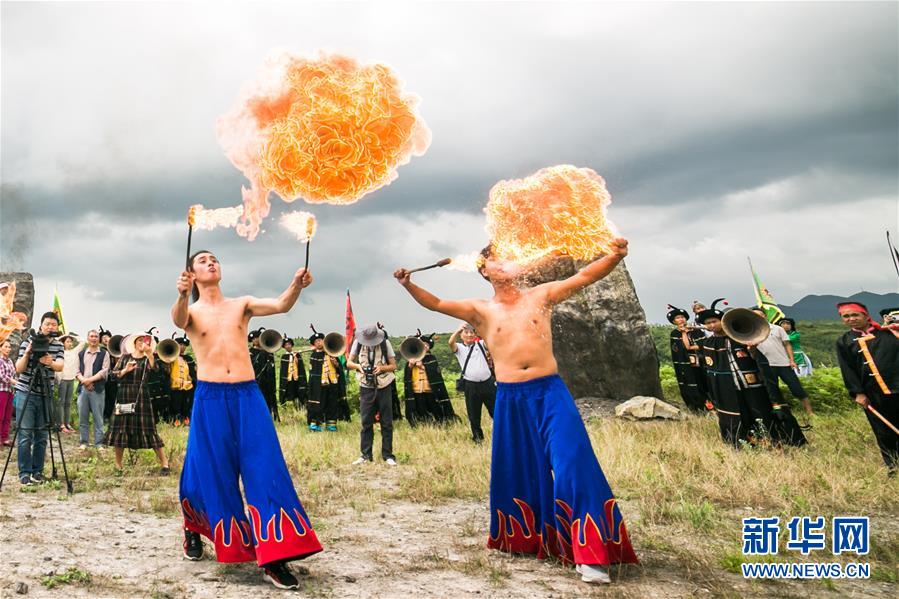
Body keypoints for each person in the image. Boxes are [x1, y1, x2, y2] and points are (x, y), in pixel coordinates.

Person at [393, 239, 638, 585]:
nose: (507, 261)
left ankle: (591, 552)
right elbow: (435, 303)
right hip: (509, 397)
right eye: (497, 258)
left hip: (550, 392)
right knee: (520, 469)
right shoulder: (480, 310)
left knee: (573, 462)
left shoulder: (542, 295)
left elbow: (584, 277)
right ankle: (526, 538)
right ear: (484, 270)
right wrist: (408, 284)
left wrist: (614, 255)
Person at [172, 249, 321, 589]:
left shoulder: (241, 304)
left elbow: (282, 305)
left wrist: (297, 285)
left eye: (215, 259)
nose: (212, 262)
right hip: (210, 397)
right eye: (203, 261)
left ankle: (274, 556)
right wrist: (181, 294)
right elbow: (179, 320)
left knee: (265, 468)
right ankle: (193, 528)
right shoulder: (191, 311)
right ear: (192, 274)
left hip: (247, 395)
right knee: (207, 470)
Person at [697, 302, 806, 448]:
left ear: (722, 322)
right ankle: (744, 441)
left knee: (760, 410)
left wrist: (752, 349)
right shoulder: (708, 343)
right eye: (708, 323)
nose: (711, 325)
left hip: (752, 384)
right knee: (738, 414)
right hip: (728, 387)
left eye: (714, 321)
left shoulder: (741, 337)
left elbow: (758, 361)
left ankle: (774, 439)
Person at [835, 302, 899, 475]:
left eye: (855, 315)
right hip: (873, 393)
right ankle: (893, 465)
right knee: (883, 431)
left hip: (897, 386)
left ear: (865, 315)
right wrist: (858, 393)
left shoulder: (889, 333)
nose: (851, 319)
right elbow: (847, 368)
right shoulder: (843, 341)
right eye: (846, 316)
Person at [105, 334, 170, 473]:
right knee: (120, 430)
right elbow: (113, 376)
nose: (142, 343)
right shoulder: (125, 358)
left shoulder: (148, 359)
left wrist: (150, 354)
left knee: (149, 430)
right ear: (134, 343)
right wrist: (125, 370)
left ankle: (165, 464)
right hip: (124, 395)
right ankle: (118, 465)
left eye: (145, 341)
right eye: (139, 340)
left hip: (141, 398)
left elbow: (156, 370)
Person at [13, 312, 65, 486]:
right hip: (25, 391)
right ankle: (24, 473)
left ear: (57, 328)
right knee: (25, 434)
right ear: (41, 325)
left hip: (45, 394)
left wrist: (49, 361)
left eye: (53, 324)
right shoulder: (29, 341)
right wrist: (28, 354)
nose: (50, 327)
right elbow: (18, 369)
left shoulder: (58, 345)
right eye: (47, 324)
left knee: (42, 435)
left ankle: (38, 472)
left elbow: (60, 366)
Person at [750, 307, 814, 425]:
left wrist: (791, 360)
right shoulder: (751, 332)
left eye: (760, 315)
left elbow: (787, 345)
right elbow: (752, 354)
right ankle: (782, 413)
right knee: (773, 391)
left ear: (765, 316)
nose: (758, 317)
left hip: (784, 364)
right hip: (766, 366)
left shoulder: (777, 328)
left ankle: (810, 412)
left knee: (796, 388)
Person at [347, 324, 398, 466]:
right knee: (366, 422)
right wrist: (359, 367)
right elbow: (349, 363)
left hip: (384, 385)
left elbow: (394, 365)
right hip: (365, 386)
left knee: (386, 422)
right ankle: (365, 455)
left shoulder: (385, 343)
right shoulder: (357, 343)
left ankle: (388, 455)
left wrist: (382, 368)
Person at [448, 323, 496, 443]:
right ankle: (478, 438)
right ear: (461, 335)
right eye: (466, 332)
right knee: (473, 413)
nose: (469, 335)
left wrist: (480, 329)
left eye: (471, 332)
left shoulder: (480, 344)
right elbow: (450, 343)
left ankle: (503, 434)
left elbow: (489, 340)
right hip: (471, 385)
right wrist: (457, 330)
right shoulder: (459, 348)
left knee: (496, 410)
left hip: (488, 383)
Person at [403, 331, 456, 425]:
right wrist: (410, 366)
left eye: (427, 345)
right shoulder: (411, 358)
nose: (425, 346)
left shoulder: (432, 358)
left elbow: (435, 372)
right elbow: (407, 375)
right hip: (417, 389)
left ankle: (438, 422)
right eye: (423, 344)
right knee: (420, 408)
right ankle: (422, 423)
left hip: (429, 389)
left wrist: (423, 367)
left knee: (434, 407)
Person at [665, 304, 710, 414]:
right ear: (674, 321)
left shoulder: (696, 330)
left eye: (682, 317)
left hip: (702, 363)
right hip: (686, 366)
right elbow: (681, 349)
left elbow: (702, 345)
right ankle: (695, 408)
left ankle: (710, 406)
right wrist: (684, 333)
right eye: (677, 318)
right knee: (689, 385)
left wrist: (691, 345)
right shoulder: (675, 334)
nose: (680, 319)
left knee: (704, 383)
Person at [75, 330, 111, 450]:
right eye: (91, 336)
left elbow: (104, 371)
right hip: (83, 389)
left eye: (96, 336)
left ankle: (99, 443)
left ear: (99, 339)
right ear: (88, 338)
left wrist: (90, 380)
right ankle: (83, 442)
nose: (94, 338)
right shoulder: (81, 354)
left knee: (98, 417)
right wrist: (84, 381)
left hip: (97, 389)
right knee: (83, 417)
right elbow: (77, 371)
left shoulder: (104, 353)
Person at [306, 330, 343, 432]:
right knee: (317, 404)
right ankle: (316, 424)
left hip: (332, 383)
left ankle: (331, 424)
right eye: (316, 341)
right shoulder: (313, 355)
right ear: (314, 344)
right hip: (319, 385)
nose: (319, 343)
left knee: (332, 403)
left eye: (320, 340)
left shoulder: (331, 353)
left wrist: (335, 363)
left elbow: (339, 368)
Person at [167, 333, 197, 426]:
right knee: (175, 404)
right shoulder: (171, 357)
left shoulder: (188, 358)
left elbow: (193, 373)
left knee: (186, 404)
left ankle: (186, 419)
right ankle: (176, 420)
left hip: (187, 386)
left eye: (184, 345)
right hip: (175, 386)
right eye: (180, 344)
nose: (182, 347)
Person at [56, 333, 84, 433]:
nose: (70, 343)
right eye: (67, 341)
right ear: (63, 343)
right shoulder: (60, 352)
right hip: (62, 380)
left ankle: (67, 424)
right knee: (61, 402)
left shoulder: (74, 352)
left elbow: (82, 342)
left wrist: (72, 335)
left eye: (70, 341)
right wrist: (63, 336)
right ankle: (61, 424)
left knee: (68, 403)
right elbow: (55, 340)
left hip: (71, 379)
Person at [249, 328, 278, 422]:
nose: (256, 340)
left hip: (267, 380)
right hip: (255, 379)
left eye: (257, 338)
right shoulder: (250, 352)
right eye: (253, 339)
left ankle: (269, 416)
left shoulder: (268, 351)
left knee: (268, 397)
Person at [278, 335, 307, 410]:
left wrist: (295, 357)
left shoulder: (297, 355)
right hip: (288, 378)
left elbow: (301, 367)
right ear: (284, 347)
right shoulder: (284, 356)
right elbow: (282, 370)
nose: (288, 346)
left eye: (289, 344)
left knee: (297, 391)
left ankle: (299, 406)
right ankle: (287, 407)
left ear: (292, 345)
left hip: (296, 378)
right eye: (286, 345)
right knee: (289, 392)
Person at [99, 326, 119, 423]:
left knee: (113, 397)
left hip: (113, 378)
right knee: (105, 398)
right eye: (103, 338)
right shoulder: (101, 350)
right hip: (104, 378)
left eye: (107, 337)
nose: (106, 339)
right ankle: (105, 416)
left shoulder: (114, 349)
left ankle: (113, 416)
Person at [0, 339, 16, 446]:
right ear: (0, 348)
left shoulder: (10, 361)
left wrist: (15, 382)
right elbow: (1, 375)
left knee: (7, 415)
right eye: (5, 346)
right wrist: (11, 380)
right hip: (2, 390)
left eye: (9, 347)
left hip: (10, 390)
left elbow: (14, 373)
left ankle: (5, 437)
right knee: (0, 415)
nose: (8, 349)